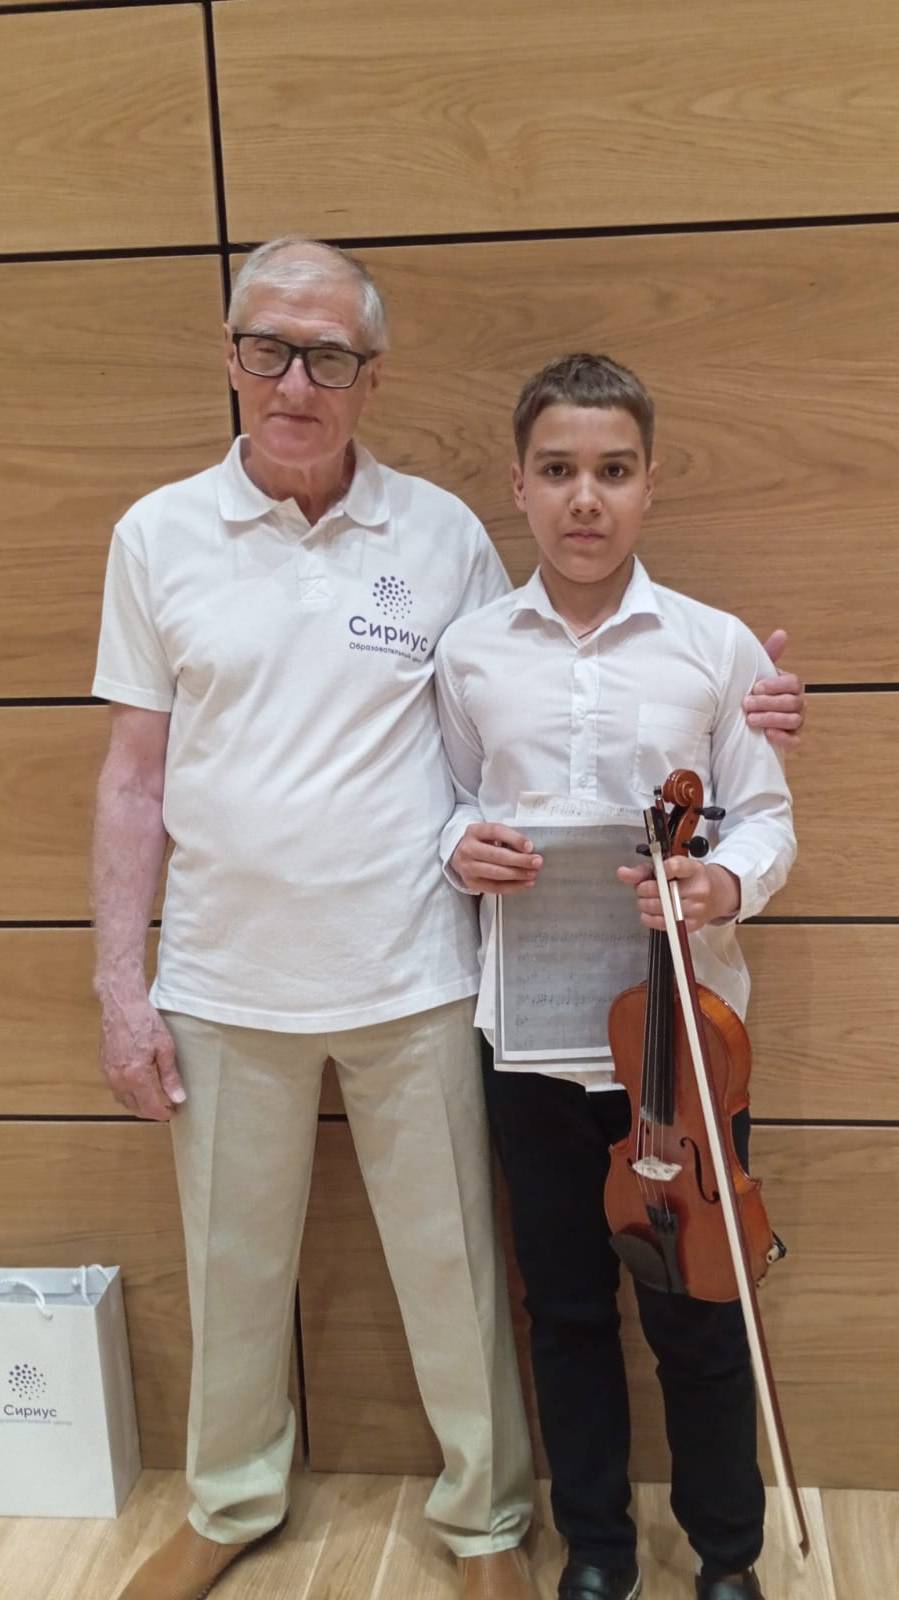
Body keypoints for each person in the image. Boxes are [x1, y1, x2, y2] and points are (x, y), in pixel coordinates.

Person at [90, 237, 803, 1600]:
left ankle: (487, 1523)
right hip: (227, 973)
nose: (296, 382)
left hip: (426, 972)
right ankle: (231, 1495)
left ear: (372, 375)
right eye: (268, 349)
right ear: (231, 356)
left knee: (464, 1275)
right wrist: (122, 986)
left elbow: (522, 728)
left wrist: (752, 712)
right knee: (234, 1270)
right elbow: (134, 778)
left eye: (328, 357)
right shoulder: (155, 535)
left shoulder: (445, 541)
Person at [435, 352, 797, 1600]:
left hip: (682, 1051)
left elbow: (762, 816)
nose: (583, 497)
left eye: (611, 470)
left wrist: (719, 883)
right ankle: (595, 1549)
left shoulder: (713, 644)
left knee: (698, 1309)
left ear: (648, 482)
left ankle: (726, 1554)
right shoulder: (469, 652)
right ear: (518, 486)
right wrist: (460, 846)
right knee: (568, 1309)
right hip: (531, 1042)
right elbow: (442, 802)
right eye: (556, 470)